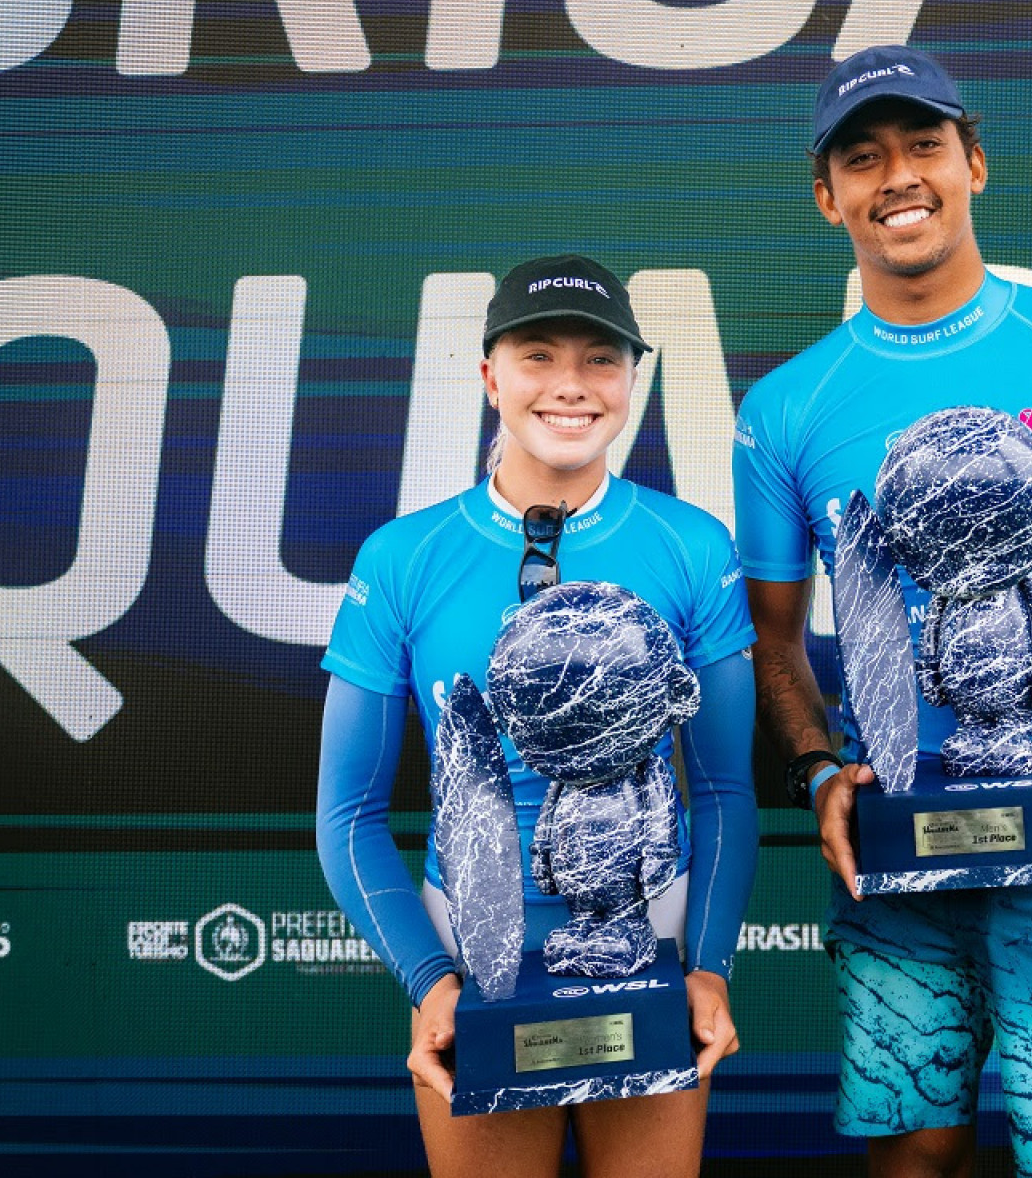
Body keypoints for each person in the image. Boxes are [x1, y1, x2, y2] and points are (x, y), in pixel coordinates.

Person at [732, 46, 1032, 1178]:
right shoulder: (785, 407)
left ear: (975, 163)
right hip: (895, 848)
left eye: (923, 147)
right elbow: (773, 638)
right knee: (912, 1154)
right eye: (863, 158)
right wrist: (817, 772)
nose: (896, 177)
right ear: (828, 195)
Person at [316, 254, 758, 1178]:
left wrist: (707, 966)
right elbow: (347, 817)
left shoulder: (689, 544)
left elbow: (720, 789)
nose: (570, 385)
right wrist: (431, 981)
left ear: (634, 379)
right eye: (537, 355)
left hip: (651, 950)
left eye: (601, 359)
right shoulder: (404, 556)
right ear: (489, 376)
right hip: (472, 958)